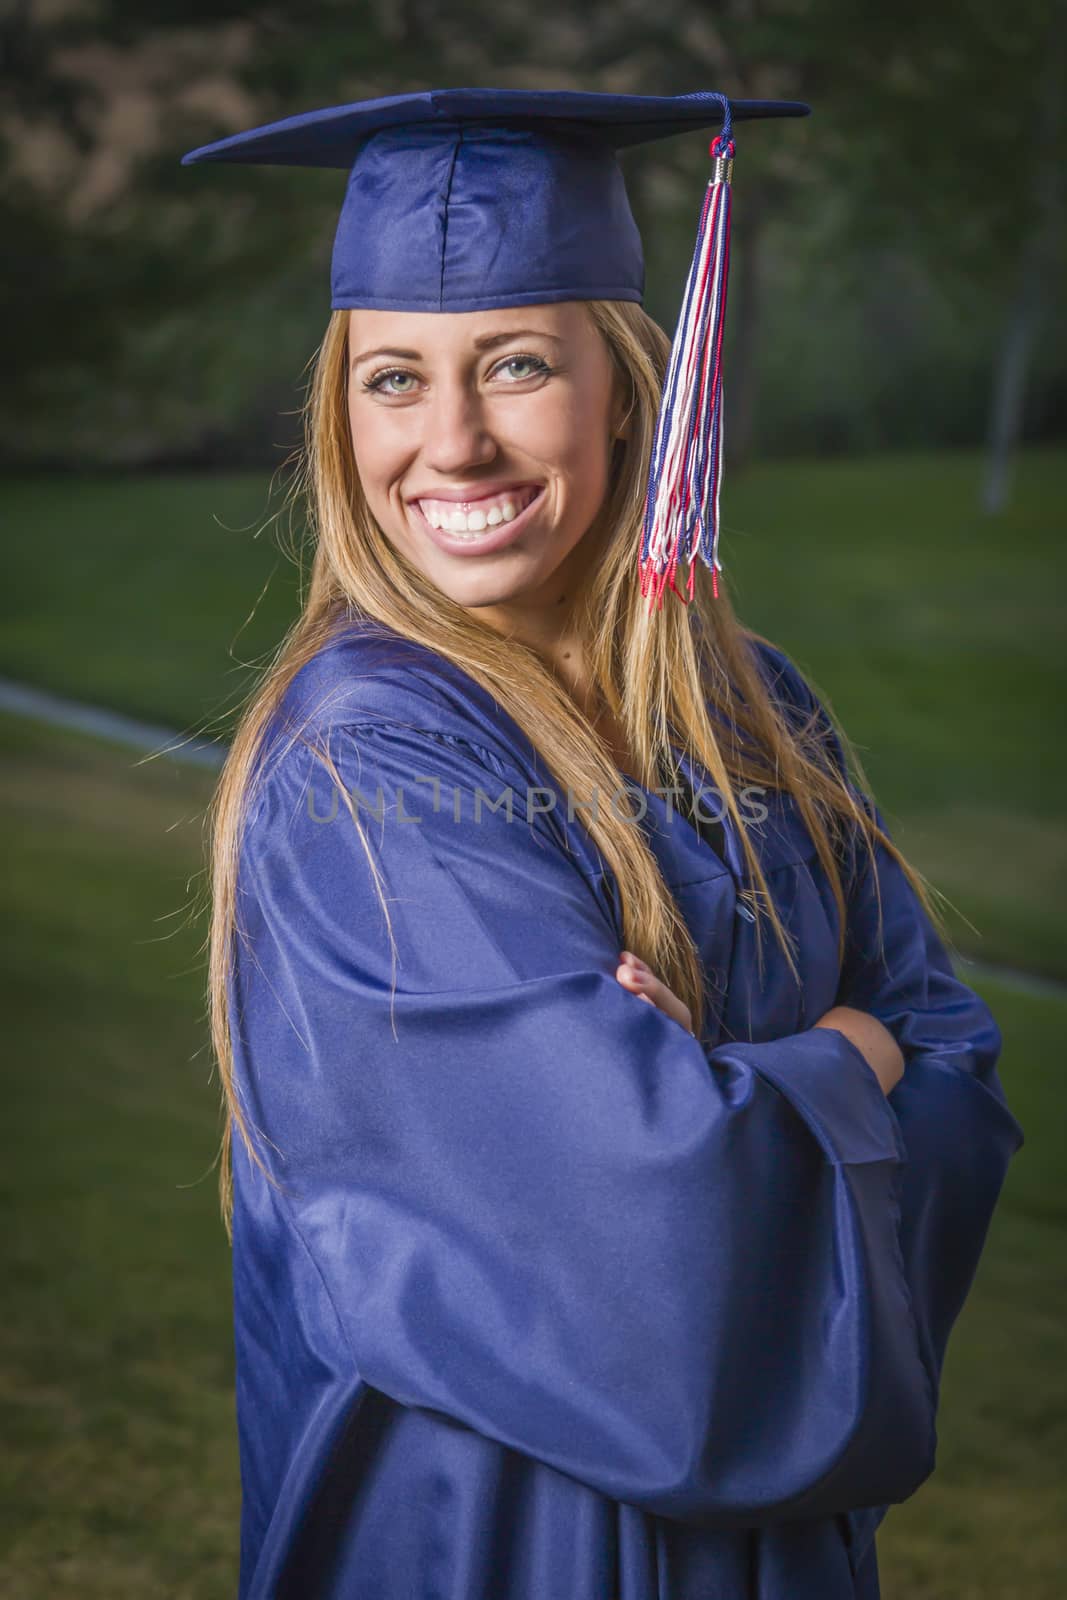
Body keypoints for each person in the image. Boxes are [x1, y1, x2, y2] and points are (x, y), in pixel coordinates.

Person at [185, 89, 1025, 1599]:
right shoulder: (369, 760)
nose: (452, 441)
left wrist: (736, 1089)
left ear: (628, 388)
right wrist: (842, 1056)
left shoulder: (757, 713)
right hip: (480, 1535)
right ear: (340, 412)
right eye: (392, 379)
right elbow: (649, 1224)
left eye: (516, 365)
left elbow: (957, 1056)